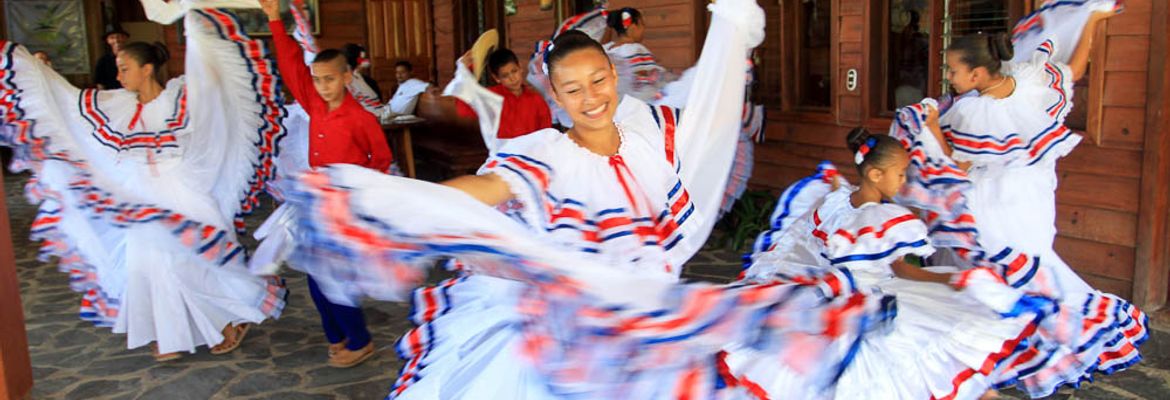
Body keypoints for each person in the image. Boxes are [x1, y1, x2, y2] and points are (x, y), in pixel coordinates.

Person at [273, 3, 894, 398]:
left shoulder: (650, 126)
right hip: (578, 314)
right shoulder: (546, 149)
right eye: (574, 89)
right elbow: (487, 189)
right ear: (558, 97)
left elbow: (709, 108)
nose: (590, 95)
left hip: (646, 308)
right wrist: (403, 199)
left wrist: (732, 32)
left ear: (612, 76)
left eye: (598, 80)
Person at [0, 0, 288, 362]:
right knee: (147, 263)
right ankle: (170, 331)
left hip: (181, 188)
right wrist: (38, 73)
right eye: (118, 69)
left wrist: (195, 29)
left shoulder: (178, 97)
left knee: (191, 261)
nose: (118, 76)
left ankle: (230, 319)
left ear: (147, 69)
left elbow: (212, 86)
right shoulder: (117, 103)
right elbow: (68, 105)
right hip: (139, 193)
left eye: (125, 68)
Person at [726, 129, 1078, 399]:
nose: (904, 182)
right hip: (865, 302)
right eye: (901, 174)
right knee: (913, 351)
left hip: (834, 295)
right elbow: (901, 270)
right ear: (876, 175)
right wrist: (949, 280)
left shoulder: (835, 201)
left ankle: (982, 392)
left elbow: (817, 235)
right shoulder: (880, 215)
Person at [261, 0, 394, 368]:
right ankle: (337, 336)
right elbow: (290, 67)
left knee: (332, 279)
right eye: (317, 80)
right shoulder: (316, 105)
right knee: (316, 278)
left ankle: (359, 339)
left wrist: (363, 201)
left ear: (347, 77)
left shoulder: (362, 119)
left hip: (346, 207)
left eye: (330, 79)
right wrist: (274, 18)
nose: (322, 86)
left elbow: (381, 162)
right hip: (315, 203)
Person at [447, 48, 552, 151]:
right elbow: (464, 110)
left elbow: (546, 134)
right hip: (502, 158)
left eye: (514, 71)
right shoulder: (491, 97)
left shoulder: (536, 100)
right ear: (496, 78)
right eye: (505, 75)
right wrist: (465, 70)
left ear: (520, 67)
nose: (513, 78)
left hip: (531, 157)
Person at [604, 7, 674, 103]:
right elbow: (645, 76)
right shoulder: (635, 49)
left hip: (616, 98)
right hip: (637, 99)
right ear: (633, 28)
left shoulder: (607, 48)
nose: (644, 28)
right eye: (642, 24)